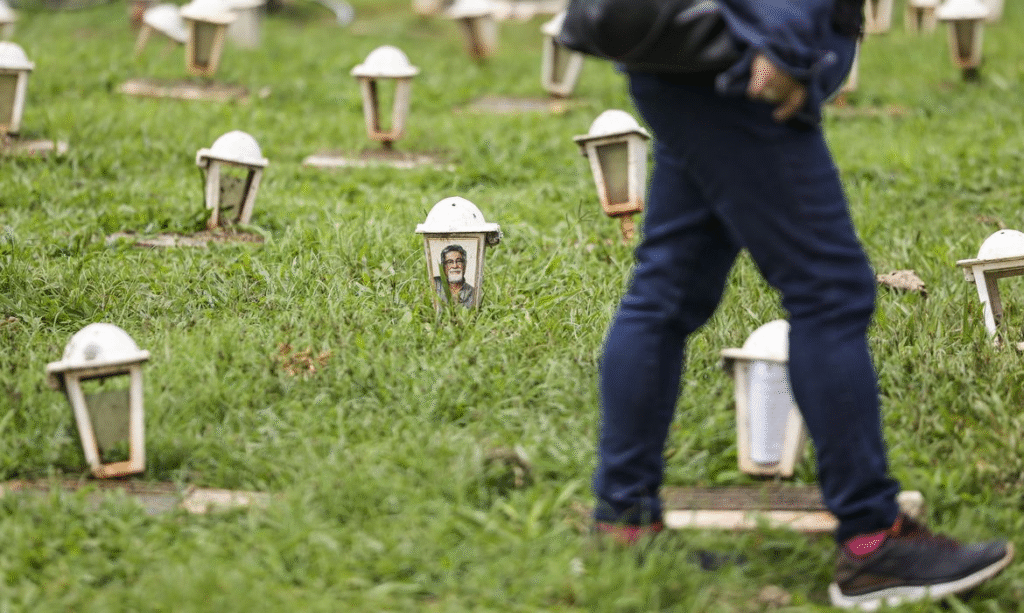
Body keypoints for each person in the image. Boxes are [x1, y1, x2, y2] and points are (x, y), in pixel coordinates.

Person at [590, 0, 1014, 609]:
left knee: (666, 292)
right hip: (746, 63)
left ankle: (624, 523)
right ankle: (873, 543)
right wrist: (785, 41)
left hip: (691, 55)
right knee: (830, 293)